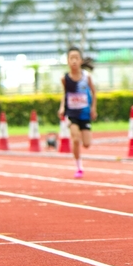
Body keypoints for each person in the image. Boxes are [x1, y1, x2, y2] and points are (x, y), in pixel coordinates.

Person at [57, 47, 97, 179]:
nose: (74, 61)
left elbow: (94, 93)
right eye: (71, 58)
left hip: (84, 113)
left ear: (80, 60)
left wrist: (93, 108)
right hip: (72, 112)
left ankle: (83, 140)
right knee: (75, 139)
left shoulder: (86, 77)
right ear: (68, 61)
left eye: (76, 58)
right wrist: (62, 107)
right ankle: (79, 167)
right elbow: (65, 94)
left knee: (86, 144)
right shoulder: (65, 78)